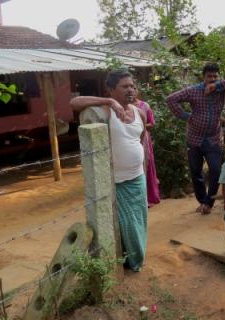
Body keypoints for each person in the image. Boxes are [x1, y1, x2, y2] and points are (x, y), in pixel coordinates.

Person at [70, 69, 148, 272]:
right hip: (118, 181)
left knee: (139, 221)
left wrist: (144, 171)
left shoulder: (140, 112)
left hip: (138, 178)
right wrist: (109, 102)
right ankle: (128, 262)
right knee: (125, 225)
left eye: (132, 85)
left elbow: (141, 141)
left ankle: (137, 259)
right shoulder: (105, 111)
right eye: (124, 86)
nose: (130, 89)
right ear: (111, 90)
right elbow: (74, 104)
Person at [166, 63, 225, 214]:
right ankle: (202, 201)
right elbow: (170, 99)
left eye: (215, 76)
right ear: (203, 77)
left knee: (216, 170)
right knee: (196, 172)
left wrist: (217, 85)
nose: (212, 79)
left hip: (213, 139)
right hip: (194, 139)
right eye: (209, 76)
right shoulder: (193, 91)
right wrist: (186, 116)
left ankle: (209, 202)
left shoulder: (221, 90)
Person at [133, 86, 161, 207]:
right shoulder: (119, 106)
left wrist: (141, 125)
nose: (132, 90)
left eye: (134, 88)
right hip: (128, 140)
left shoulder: (144, 106)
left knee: (146, 166)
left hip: (143, 139)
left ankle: (148, 198)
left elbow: (152, 123)